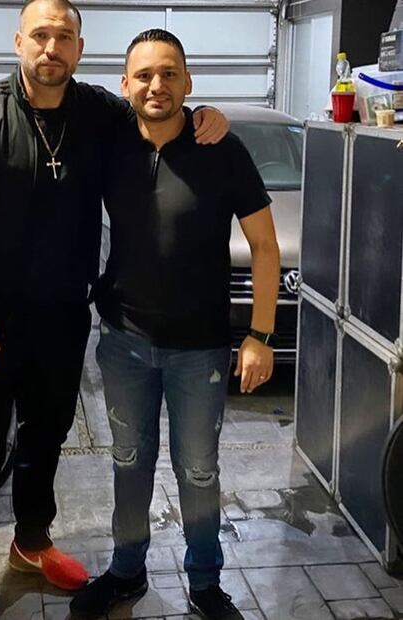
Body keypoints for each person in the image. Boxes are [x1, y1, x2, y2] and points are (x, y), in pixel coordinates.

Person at [0, 0, 229, 592]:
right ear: (18, 42)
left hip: (63, 320)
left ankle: (31, 544)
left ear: (80, 49)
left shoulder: (100, 114)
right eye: (40, 35)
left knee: (45, 440)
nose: (51, 48)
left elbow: (155, 110)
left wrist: (204, 116)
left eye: (63, 37)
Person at [69, 29, 280, 620]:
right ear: (125, 85)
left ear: (188, 82)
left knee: (199, 469)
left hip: (200, 349)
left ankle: (205, 581)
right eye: (144, 75)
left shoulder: (222, 149)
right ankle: (126, 571)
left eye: (169, 74)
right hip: (123, 342)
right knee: (129, 461)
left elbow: (265, 246)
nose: (156, 85)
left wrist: (260, 335)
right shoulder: (110, 144)